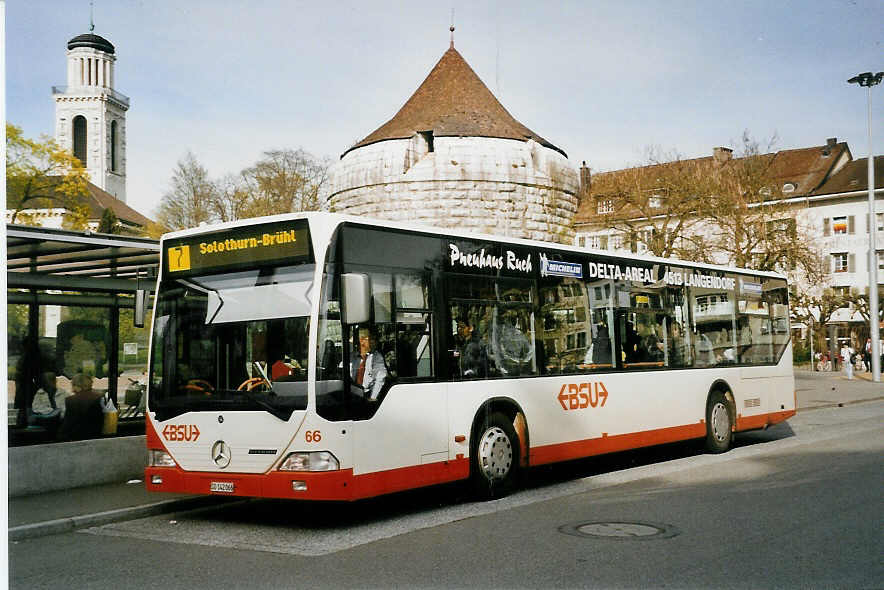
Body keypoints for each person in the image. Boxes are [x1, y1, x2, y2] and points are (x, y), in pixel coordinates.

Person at [14, 335, 58, 427]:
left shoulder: (24, 359)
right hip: (31, 392)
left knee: (24, 411)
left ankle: (23, 424)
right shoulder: (34, 358)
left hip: (27, 392)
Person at [58, 373, 104, 441]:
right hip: (96, 435)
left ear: (77, 386)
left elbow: (68, 423)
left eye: (73, 385)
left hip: (76, 437)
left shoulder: (70, 400)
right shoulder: (99, 397)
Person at [350, 328, 388, 401]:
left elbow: (380, 378)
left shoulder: (376, 357)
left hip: (366, 395)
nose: (373, 342)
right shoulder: (351, 357)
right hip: (351, 394)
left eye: (373, 339)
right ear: (361, 341)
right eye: (370, 338)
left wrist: (373, 397)